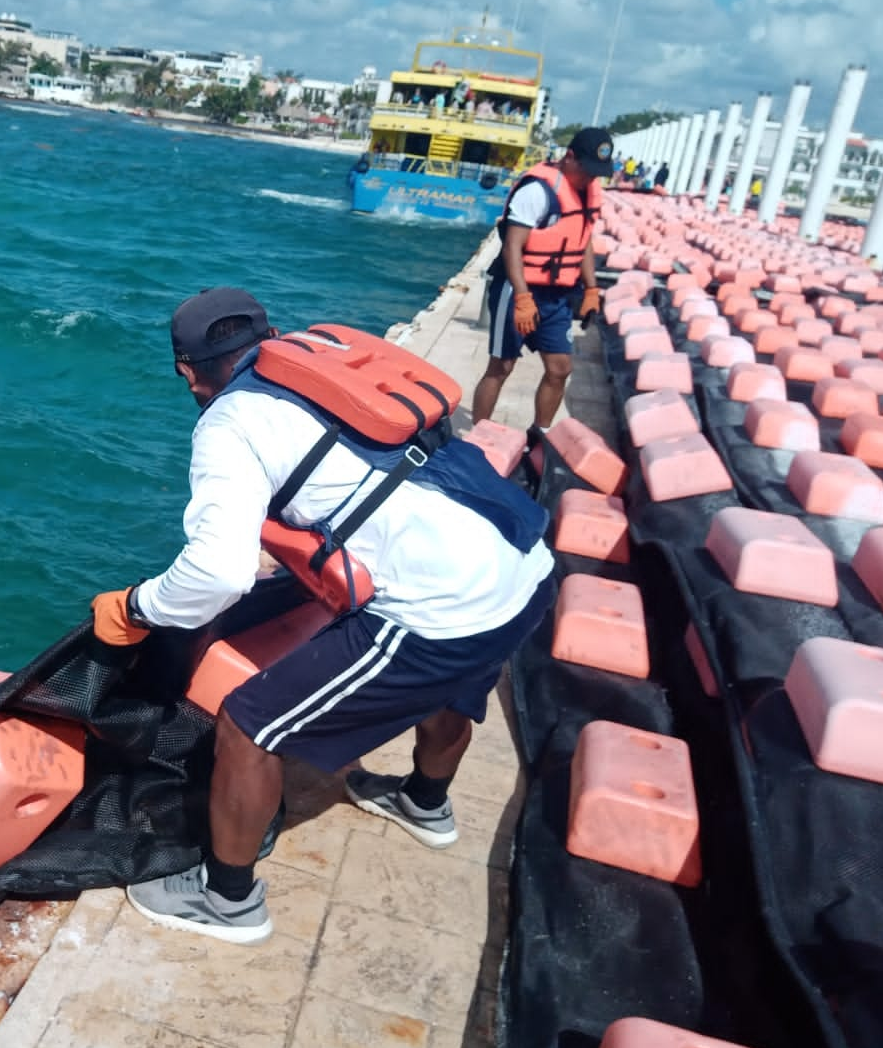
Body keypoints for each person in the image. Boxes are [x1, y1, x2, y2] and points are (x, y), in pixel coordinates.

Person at [91, 288, 557, 944]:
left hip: (443, 608)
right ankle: (425, 804)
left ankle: (227, 901)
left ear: (186, 372)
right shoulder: (329, 362)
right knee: (459, 683)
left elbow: (217, 574)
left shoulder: (228, 424)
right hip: (524, 562)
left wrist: (137, 606)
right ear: (274, 335)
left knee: (249, 725)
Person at [470, 126, 611, 434]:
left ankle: (540, 434)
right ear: (569, 157)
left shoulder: (587, 192)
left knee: (560, 369)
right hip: (517, 288)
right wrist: (522, 297)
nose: (590, 178)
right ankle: (477, 437)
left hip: (557, 295)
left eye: (597, 173)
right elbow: (512, 247)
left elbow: (582, 241)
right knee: (502, 366)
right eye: (587, 170)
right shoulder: (536, 191)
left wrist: (591, 289)